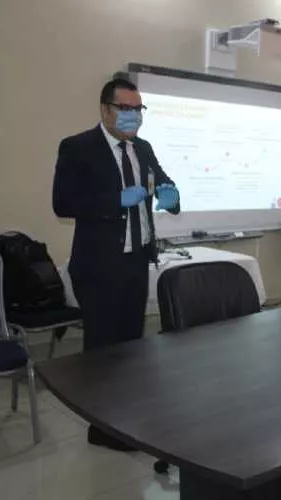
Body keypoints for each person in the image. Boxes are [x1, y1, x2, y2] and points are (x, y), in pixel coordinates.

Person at [52, 78, 180, 450]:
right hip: (99, 266)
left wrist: (171, 196)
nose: (133, 116)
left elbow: (163, 183)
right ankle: (101, 429)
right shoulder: (78, 147)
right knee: (103, 352)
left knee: (131, 349)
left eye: (138, 109)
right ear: (105, 109)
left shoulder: (143, 148)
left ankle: (125, 424)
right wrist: (115, 199)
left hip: (136, 261)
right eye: (125, 109)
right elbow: (63, 203)